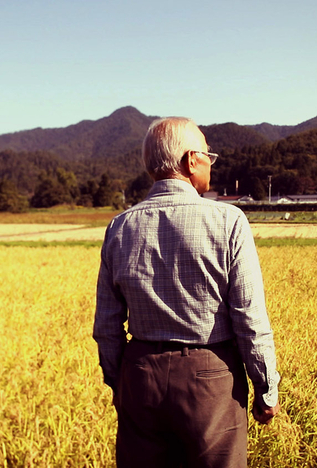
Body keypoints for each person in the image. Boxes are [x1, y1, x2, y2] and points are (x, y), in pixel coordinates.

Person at [93, 117, 280, 468]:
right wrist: (266, 387)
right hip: (209, 379)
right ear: (191, 159)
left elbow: (107, 325)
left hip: (140, 375)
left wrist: (121, 384)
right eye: (209, 155)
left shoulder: (119, 227)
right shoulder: (228, 221)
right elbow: (249, 319)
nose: (211, 162)